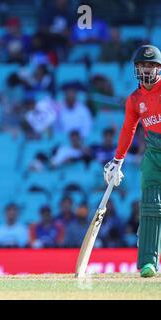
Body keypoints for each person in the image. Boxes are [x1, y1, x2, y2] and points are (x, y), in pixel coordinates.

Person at [103, 44, 161, 277]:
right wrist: (118, 160)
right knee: (150, 206)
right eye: (142, 65)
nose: (146, 70)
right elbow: (128, 129)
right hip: (154, 154)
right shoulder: (135, 99)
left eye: (151, 65)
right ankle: (148, 262)